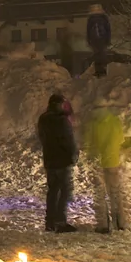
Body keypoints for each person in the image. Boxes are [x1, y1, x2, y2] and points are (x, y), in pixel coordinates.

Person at [81, 105, 128, 233]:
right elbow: (121, 139)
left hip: (98, 162)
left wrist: (90, 155)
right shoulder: (115, 120)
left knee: (99, 194)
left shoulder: (93, 123)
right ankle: (120, 223)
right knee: (115, 192)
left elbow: (88, 143)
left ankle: (103, 225)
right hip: (113, 161)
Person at [35, 93, 78, 233]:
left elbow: (41, 137)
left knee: (53, 191)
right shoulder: (62, 120)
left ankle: (50, 222)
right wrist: (73, 155)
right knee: (64, 191)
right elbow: (68, 140)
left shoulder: (43, 119)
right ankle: (60, 222)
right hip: (62, 160)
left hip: (50, 160)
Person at [85, 4, 112, 78]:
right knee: (101, 55)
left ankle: (100, 71)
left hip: (95, 41)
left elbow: (88, 31)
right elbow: (108, 30)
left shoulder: (91, 20)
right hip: (102, 40)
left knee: (97, 56)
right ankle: (103, 70)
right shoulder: (104, 19)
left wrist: (89, 41)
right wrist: (108, 40)